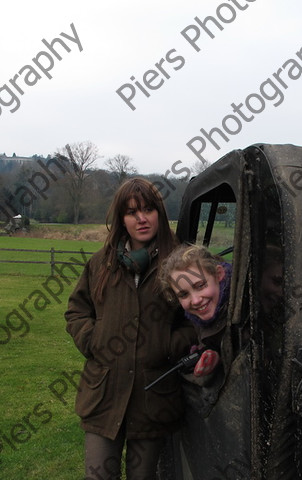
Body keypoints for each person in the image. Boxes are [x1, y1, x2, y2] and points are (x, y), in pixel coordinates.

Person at [65, 178, 196, 480]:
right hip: (103, 396)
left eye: (148, 209)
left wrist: (168, 344)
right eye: (131, 212)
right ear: (121, 219)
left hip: (152, 399)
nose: (141, 218)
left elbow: (199, 316)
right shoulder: (101, 263)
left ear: (159, 213)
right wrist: (94, 340)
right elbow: (76, 311)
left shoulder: (180, 262)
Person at [159, 244, 233, 383]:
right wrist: (214, 354)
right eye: (184, 294)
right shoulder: (198, 320)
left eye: (200, 286)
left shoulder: (246, 307)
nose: (196, 300)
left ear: (219, 274)